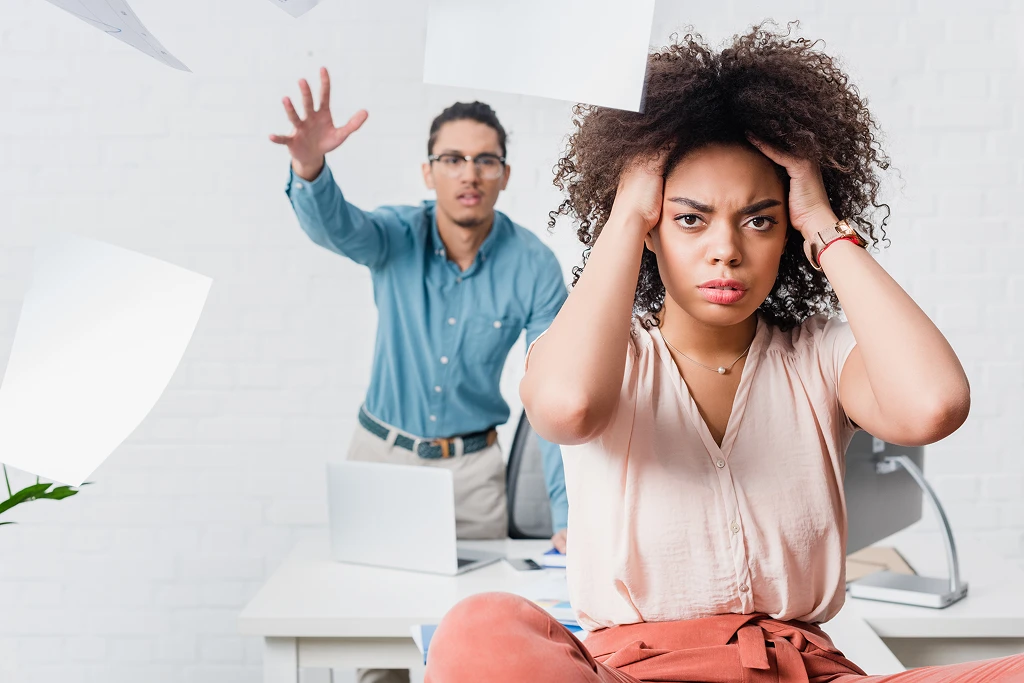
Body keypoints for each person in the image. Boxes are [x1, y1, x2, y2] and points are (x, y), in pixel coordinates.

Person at [424, 24, 1024, 682]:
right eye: (690, 217)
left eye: (759, 218)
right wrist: (627, 210)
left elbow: (934, 404)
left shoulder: (820, 355)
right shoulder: (603, 354)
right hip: (634, 673)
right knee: (477, 627)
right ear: (651, 225)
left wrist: (822, 221)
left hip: (803, 671)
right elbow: (566, 408)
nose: (726, 249)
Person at [270, 69, 570, 683]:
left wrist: (569, 517)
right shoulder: (396, 235)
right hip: (382, 462)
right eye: (453, 158)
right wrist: (310, 171)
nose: (470, 173)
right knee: (378, 654)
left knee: (470, 648)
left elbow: (556, 394)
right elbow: (336, 226)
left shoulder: (534, 266)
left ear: (505, 175)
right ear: (428, 171)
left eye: (486, 160)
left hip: (473, 475)